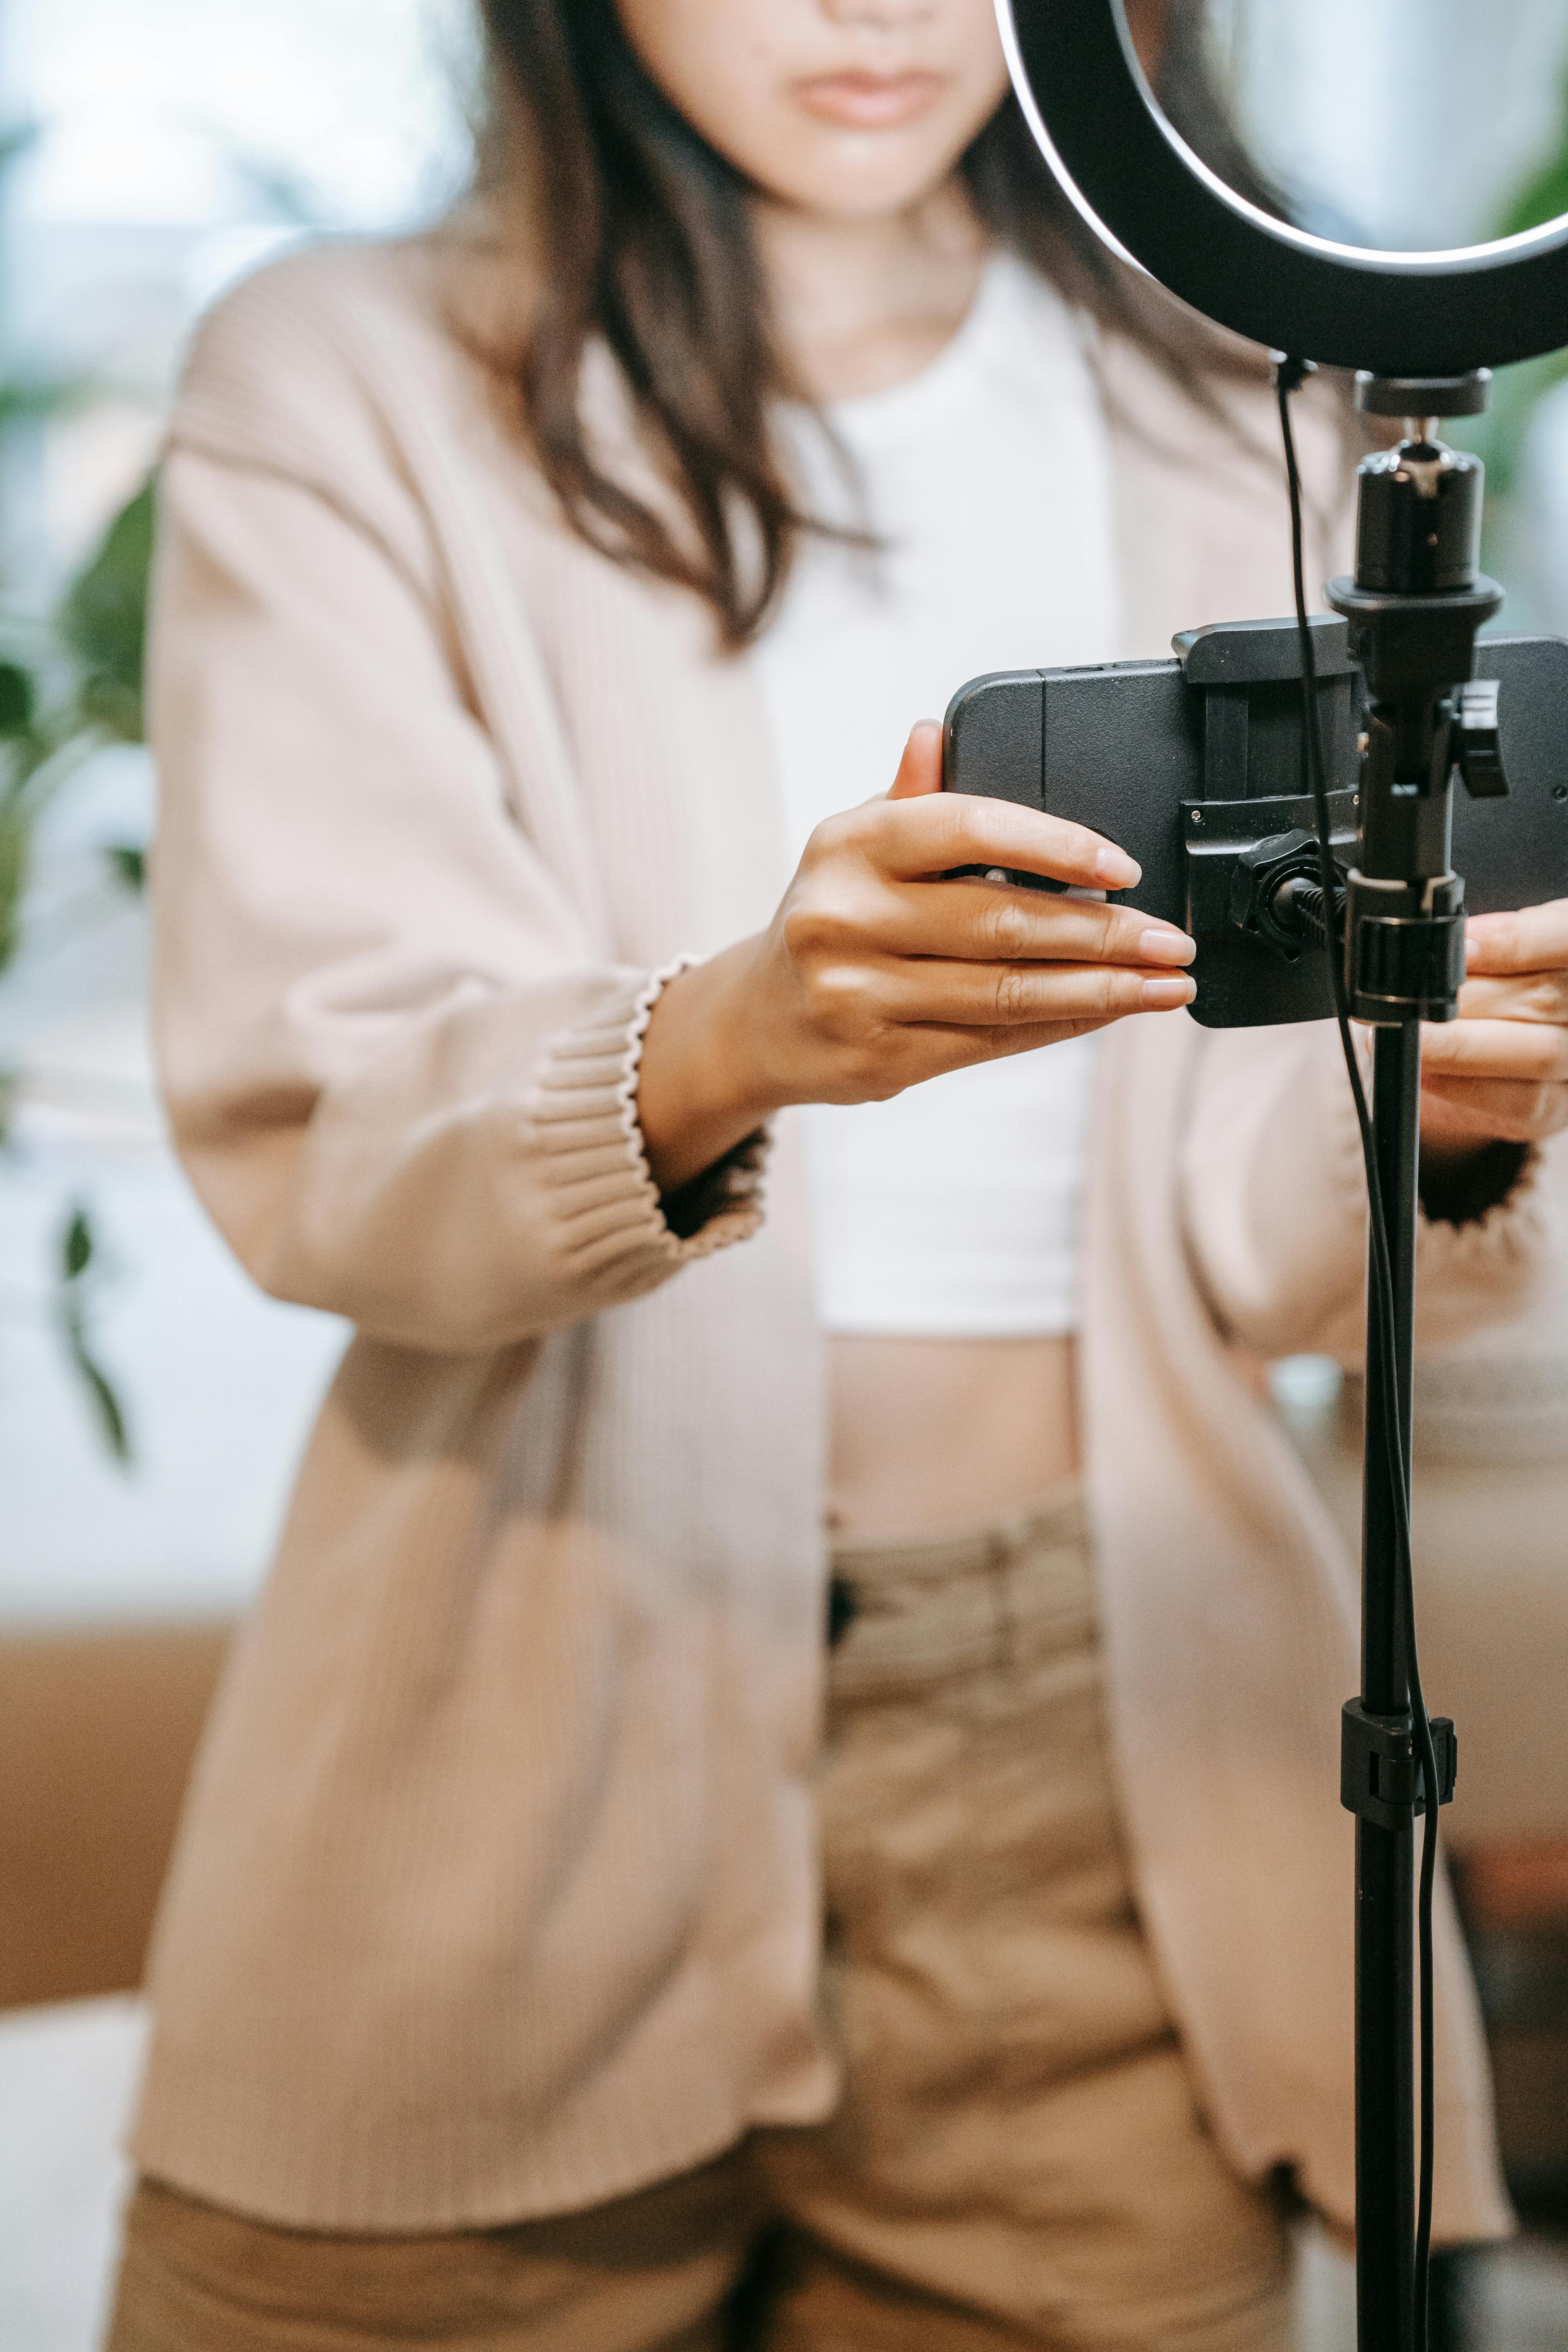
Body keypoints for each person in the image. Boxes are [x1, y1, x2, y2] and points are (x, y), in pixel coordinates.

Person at [109, 3, 1568, 2345]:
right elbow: (325, 1135)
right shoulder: (348, 376)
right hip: (519, 1693)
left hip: (1118, 1746)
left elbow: (1268, 1253)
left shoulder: (1253, 397)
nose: (870, 9)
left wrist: (1461, 1103)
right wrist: (732, 1037)